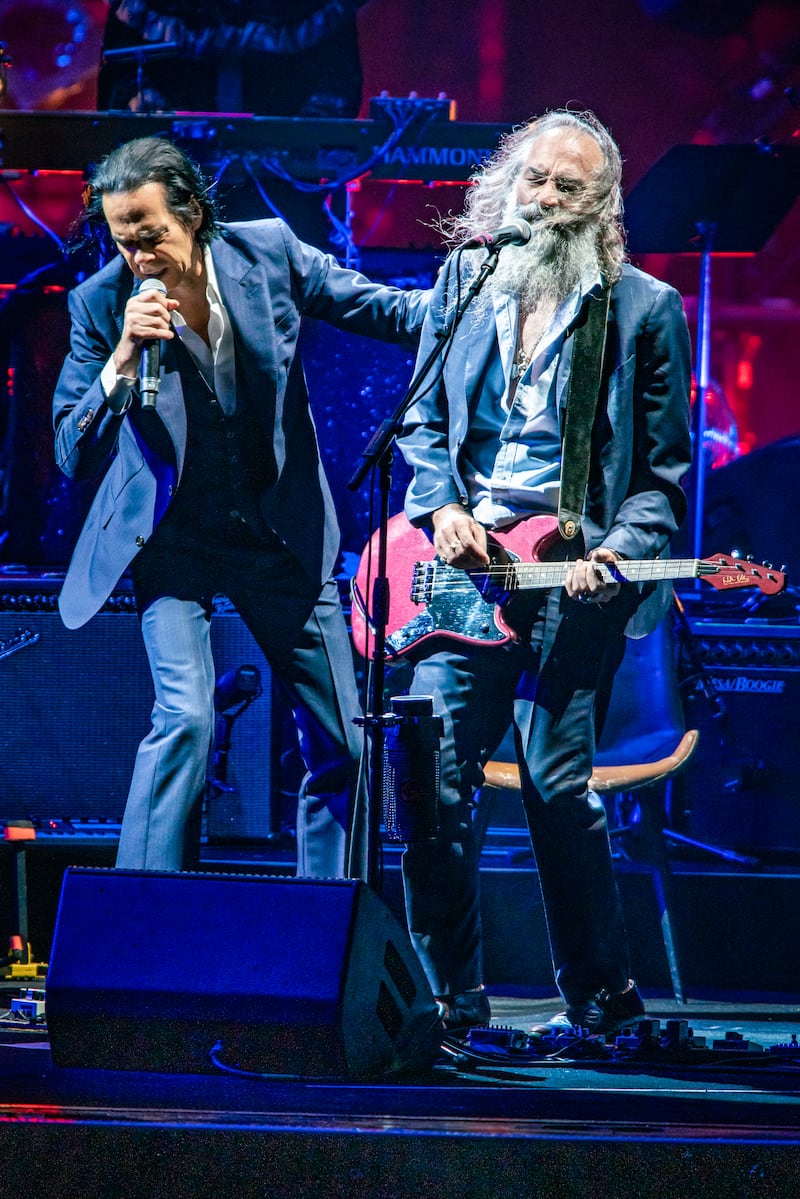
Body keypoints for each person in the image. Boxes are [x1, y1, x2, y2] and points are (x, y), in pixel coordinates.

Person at [52, 135, 426, 876]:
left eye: (152, 235)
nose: (140, 258)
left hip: (278, 527)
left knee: (343, 743)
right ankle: (139, 936)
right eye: (124, 242)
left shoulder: (269, 255)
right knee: (184, 721)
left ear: (192, 213)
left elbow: (381, 309)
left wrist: (483, 311)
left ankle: (322, 937)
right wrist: (122, 364)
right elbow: (71, 451)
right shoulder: (101, 306)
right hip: (172, 539)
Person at [395, 109, 692, 1036]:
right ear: (505, 186)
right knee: (433, 779)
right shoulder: (465, 277)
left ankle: (601, 997)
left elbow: (662, 478)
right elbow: (420, 424)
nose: (547, 198)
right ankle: (451, 999)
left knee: (556, 786)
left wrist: (619, 551)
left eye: (570, 186)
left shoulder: (644, 307)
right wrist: (440, 506)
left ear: (603, 205)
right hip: (466, 569)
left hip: (573, 574)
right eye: (535, 180)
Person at [97, 1, 369, 117]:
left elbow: (338, 81)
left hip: (285, 188)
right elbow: (120, 72)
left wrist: (303, 137)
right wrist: (140, 100)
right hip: (162, 174)